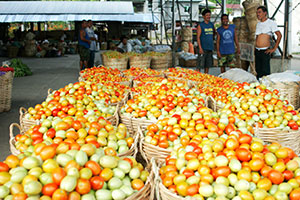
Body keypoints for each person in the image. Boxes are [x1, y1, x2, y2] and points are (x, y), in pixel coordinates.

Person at [255, 6, 282, 79]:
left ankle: (266, 88)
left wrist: (274, 48)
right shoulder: (258, 24)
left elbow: (279, 35)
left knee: (265, 71)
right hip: (257, 50)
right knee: (258, 70)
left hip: (265, 51)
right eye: (257, 12)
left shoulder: (271, 23)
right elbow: (257, 37)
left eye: (259, 12)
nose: (258, 14)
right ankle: (259, 87)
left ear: (265, 13)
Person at [197, 9, 216, 74]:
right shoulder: (201, 25)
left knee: (207, 65)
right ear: (203, 16)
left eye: (209, 15)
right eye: (207, 15)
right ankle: (197, 77)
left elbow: (214, 33)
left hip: (210, 48)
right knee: (200, 64)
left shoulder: (211, 25)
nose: (208, 16)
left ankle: (206, 76)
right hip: (203, 48)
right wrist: (200, 48)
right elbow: (198, 37)